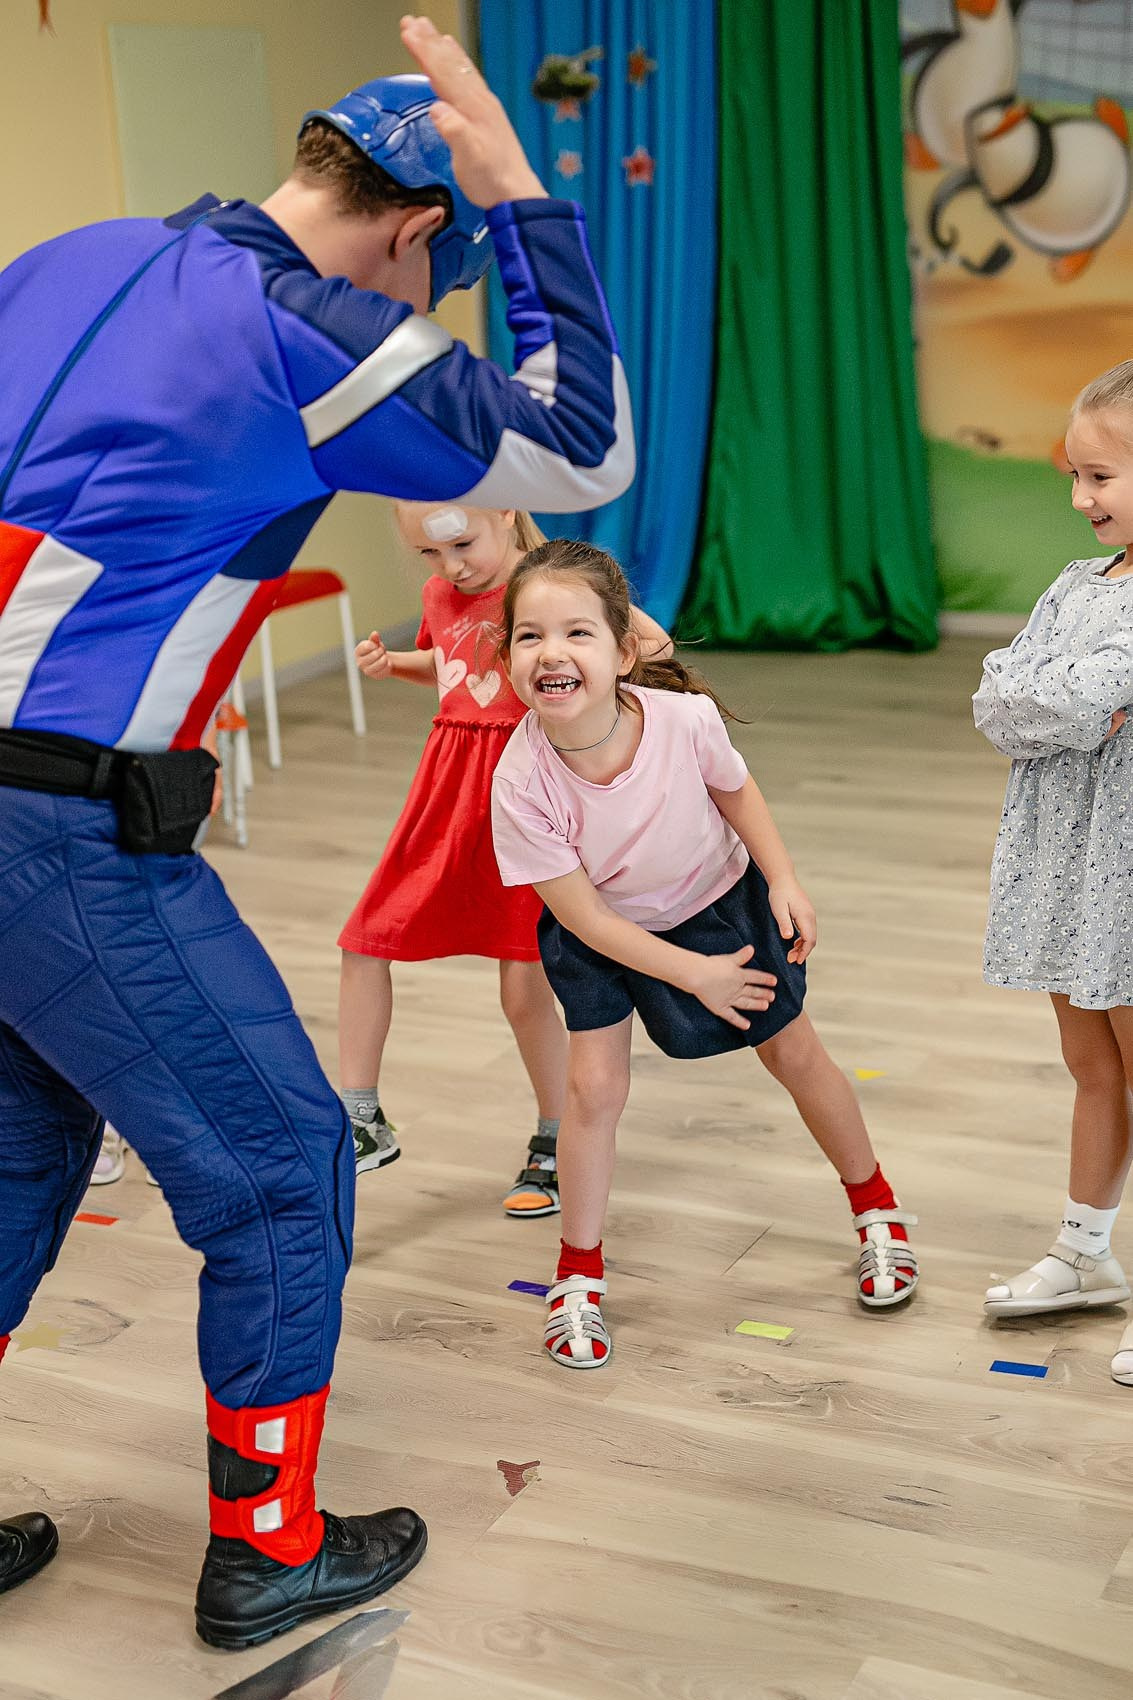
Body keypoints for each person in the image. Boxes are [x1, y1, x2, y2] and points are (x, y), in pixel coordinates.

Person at [0, 15, 633, 1645]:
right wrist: (524, 195)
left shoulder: (77, 256)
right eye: (447, 264)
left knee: (17, 1153)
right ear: (416, 228)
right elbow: (583, 449)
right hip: (58, 829)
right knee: (282, 1168)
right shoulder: (306, 324)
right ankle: (266, 1548)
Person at [490, 541, 919, 1369]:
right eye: (527, 636)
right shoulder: (519, 781)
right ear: (507, 658)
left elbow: (734, 790)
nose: (551, 652)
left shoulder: (684, 720)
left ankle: (877, 1211)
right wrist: (694, 977)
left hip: (717, 902)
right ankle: (576, 1276)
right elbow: (584, 920)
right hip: (603, 933)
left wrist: (783, 877)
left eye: (577, 633)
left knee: (795, 1053)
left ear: (622, 652)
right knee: (592, 1089)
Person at [339, 501, 669, 1215]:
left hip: (526, 802)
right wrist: (396, 663)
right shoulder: (441, 594)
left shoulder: (545, 587)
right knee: (366, 940)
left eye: (462, 544)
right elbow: (460, 665)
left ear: (503, 510)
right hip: (446, 795)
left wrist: (588, 615)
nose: (450, 567)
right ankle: (361, 1120)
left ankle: (552, 1139)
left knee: (521, 991)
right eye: (430, 555)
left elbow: (653, 646)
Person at [975, 359, 1133, 1382]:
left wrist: (1056, 699)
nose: (1078, 500)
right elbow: (996, 699)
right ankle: (1082, 1247)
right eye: (1072, 478)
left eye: (1099, 477)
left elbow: (1072, 698)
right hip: (1067, 861)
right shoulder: (1076, 584)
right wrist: (1061, 700)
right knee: (1091, 1065)